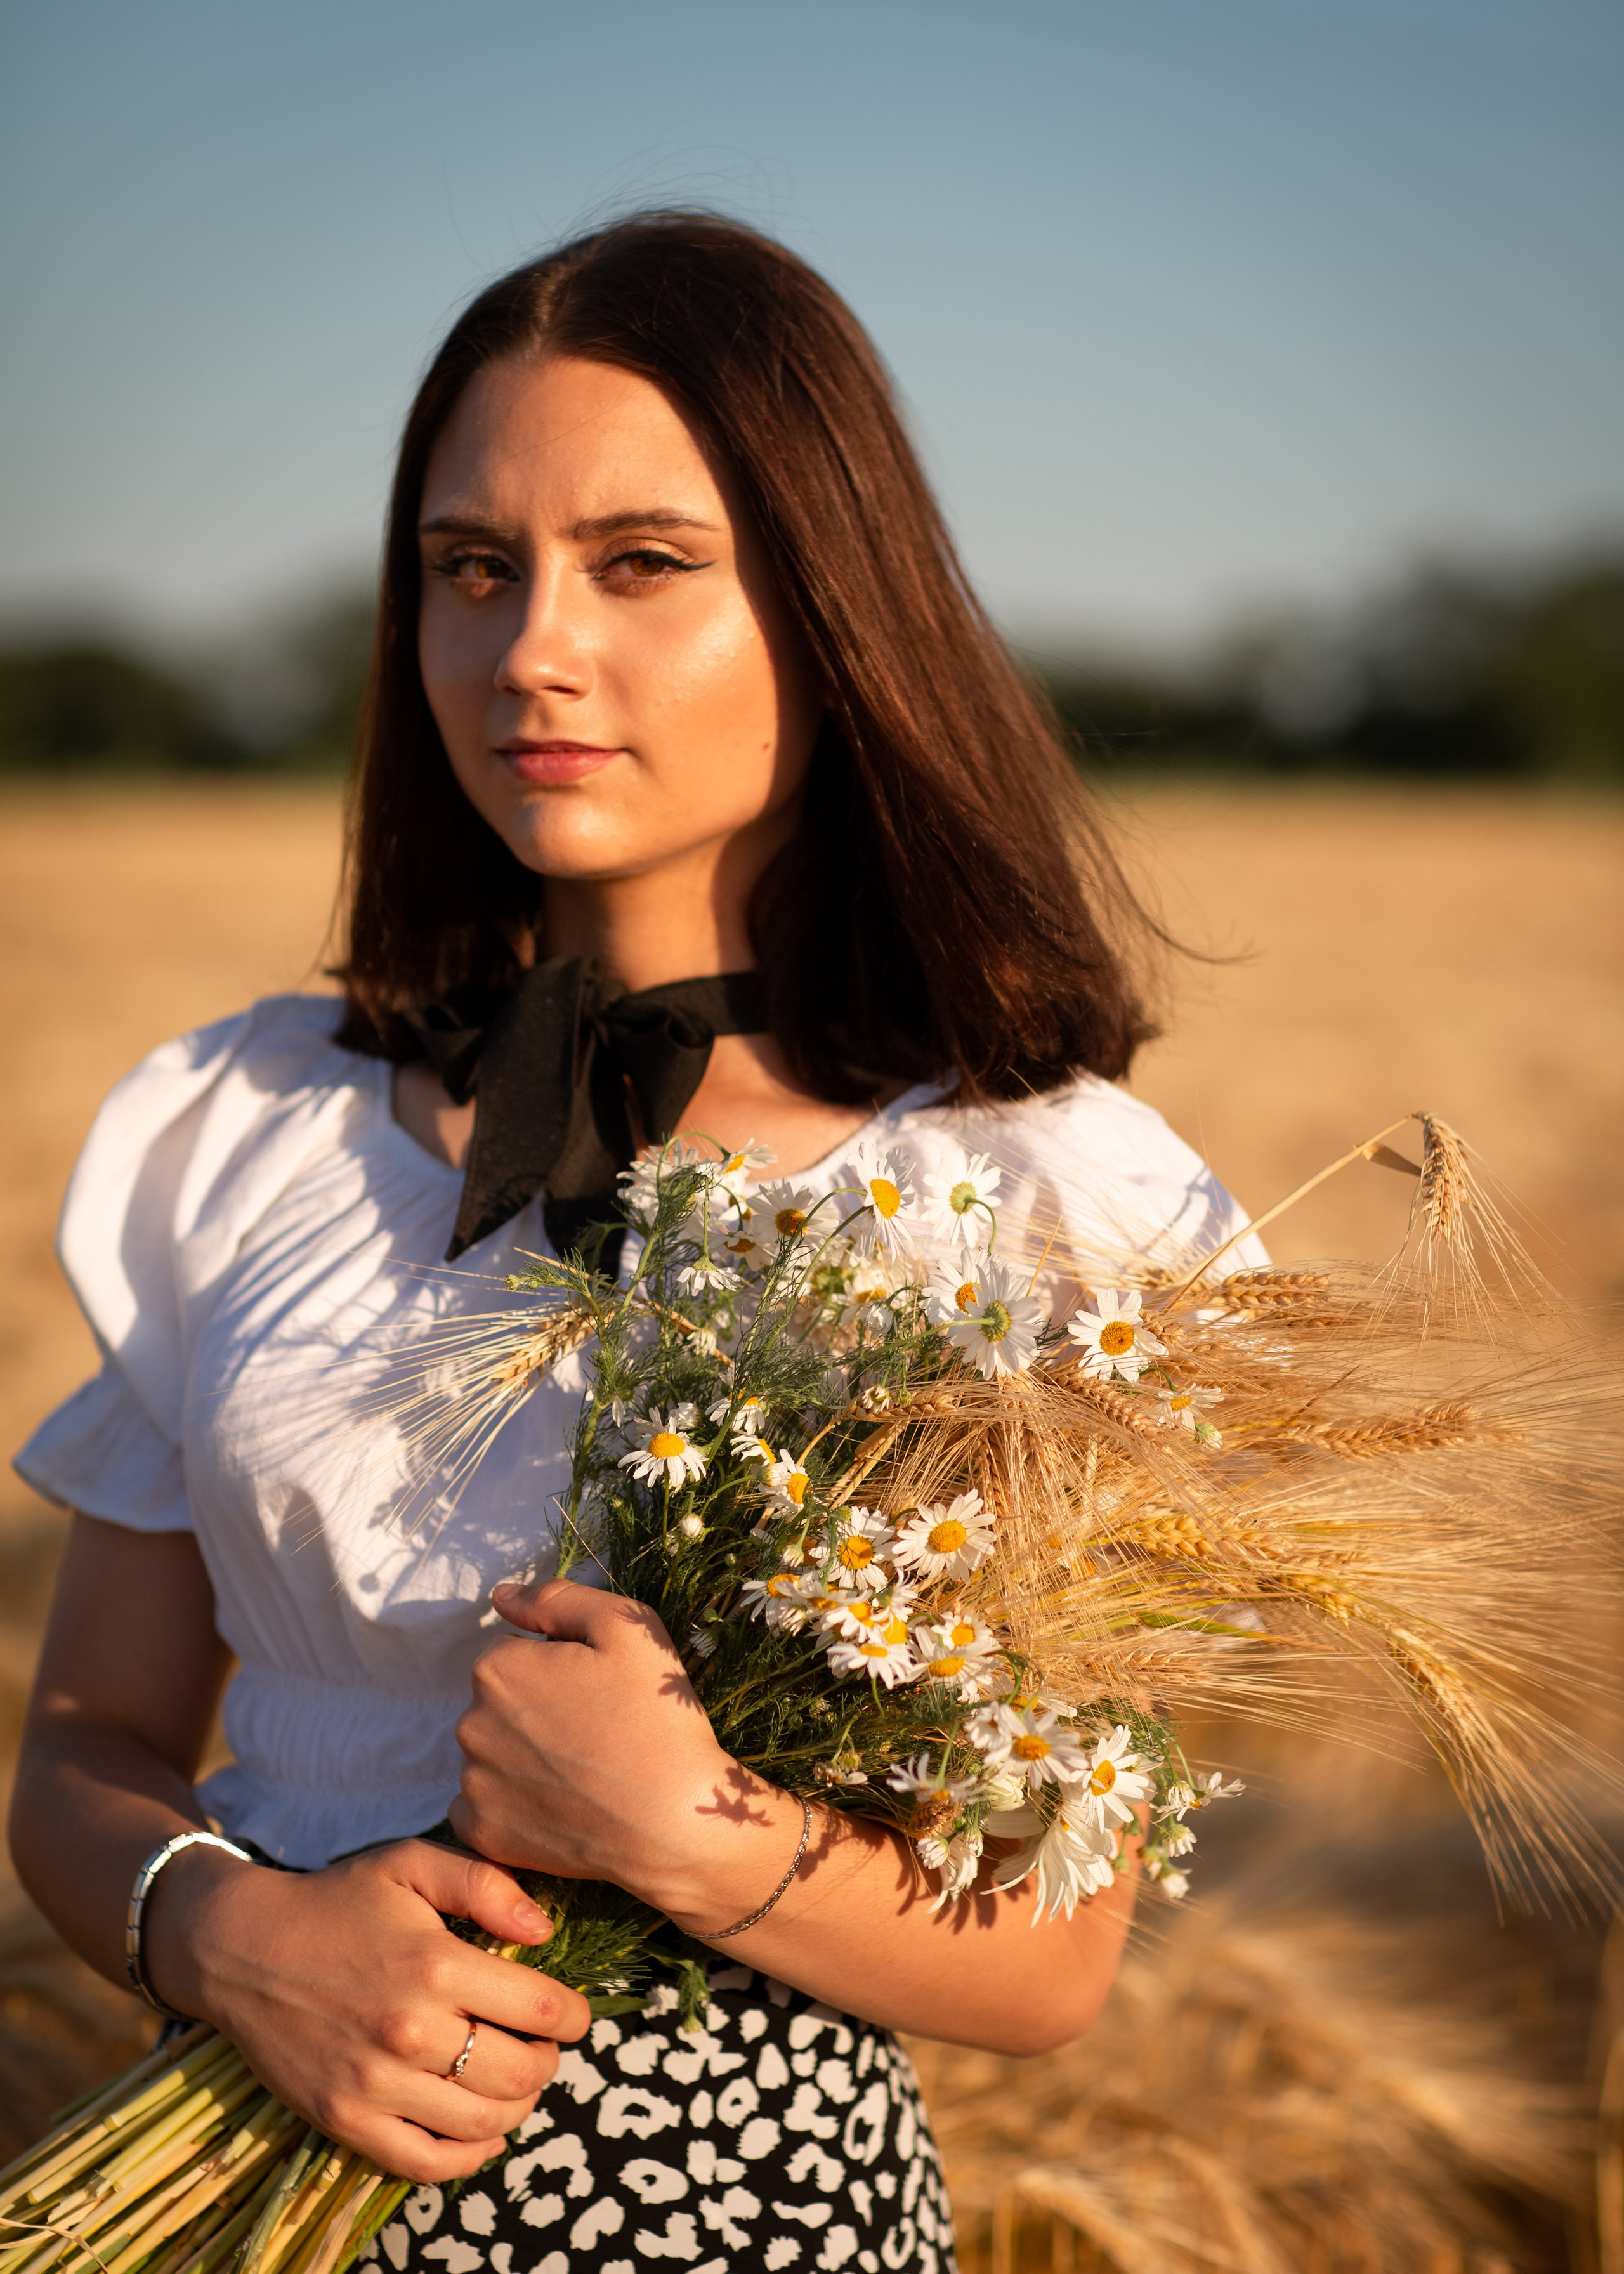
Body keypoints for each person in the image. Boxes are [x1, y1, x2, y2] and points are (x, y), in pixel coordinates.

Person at [10, 212, 1261, 2274]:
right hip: (240, 2202)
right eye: (470, 567)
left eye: (644, 563)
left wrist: (679, 1832)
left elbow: (1056, 1959)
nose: (530, 653)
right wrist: (225, 1931)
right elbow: (83, 1750)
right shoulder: (244, 1133)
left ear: (834, 609)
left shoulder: (1038, 1208)